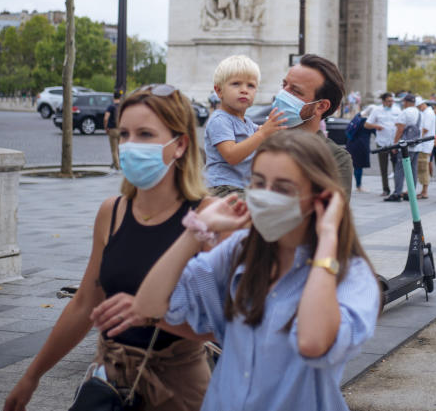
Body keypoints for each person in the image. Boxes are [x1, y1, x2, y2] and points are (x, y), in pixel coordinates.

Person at [93, 130, 381, 411]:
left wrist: (328, 237)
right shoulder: (241, 250)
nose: (265, 195)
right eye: (258, 182)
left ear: (322, 199)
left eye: (282, 188)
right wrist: (195, 231)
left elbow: (312, 343)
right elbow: (149, 305)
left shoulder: (350, 275)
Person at [4, 85, 211, 411]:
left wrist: (155, 316)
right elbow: (85, 303)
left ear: (180, 145)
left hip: (179, 390)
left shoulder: (208, 217)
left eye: (145, 134)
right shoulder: (111, 213)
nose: (130, 146)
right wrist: (32, 376)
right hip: (110, 381)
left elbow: (229, 324)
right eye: (124, 133)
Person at [270, 54, 354, 198]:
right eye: (284, 86)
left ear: (321, 106)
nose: (283, 94)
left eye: (295, 91)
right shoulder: (257, 140)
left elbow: (331, 215)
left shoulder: (335, 158)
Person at [204, 55, 287, 197]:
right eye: (236, 84)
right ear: (219, 91)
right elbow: (231, 156)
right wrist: (262, 134)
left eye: (251, 85)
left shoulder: (247, 122)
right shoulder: (219, 120)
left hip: (242, 188)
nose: (244, 90)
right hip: (223, 188)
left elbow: (261, 138)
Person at [385, 94, 424, 202]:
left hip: (405, 147)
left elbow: (400, 129)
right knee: (413, 170)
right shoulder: (420, 113)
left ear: (406, 102)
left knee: (399, 170)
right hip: (416, 146)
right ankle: (411, 193)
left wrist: (395, 144)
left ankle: (397, 193)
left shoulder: (405, 112)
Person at [365, 92, 401, 196]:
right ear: (384, 101)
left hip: (394, 143)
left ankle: (397, 190)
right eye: (389, 101)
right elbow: (367, 124)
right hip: (382, 142)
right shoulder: (377, 110)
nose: (391, 103)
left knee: (396, 168)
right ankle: (386, 189)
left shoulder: (397, 109)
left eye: (392, 101)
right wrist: (376, 126)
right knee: (383, 167)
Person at [345, 107, 372, 192]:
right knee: (358, 167)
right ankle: (358, 186)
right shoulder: (367, 121)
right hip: (361, 145)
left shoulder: (358, 117)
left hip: (351, 144)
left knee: (354, 166)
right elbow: (375, 132)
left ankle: (356, 185)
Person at [416, 97, 436, 198]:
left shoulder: (428, 113)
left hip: (425, 145)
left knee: (423, 168)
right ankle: (423, 190)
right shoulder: (426, 112)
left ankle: (425, 191)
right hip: (424, 144)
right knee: (422, 167)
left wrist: (416, 140)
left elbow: (425, 129)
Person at [104, 89, 123, 170]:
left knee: (114, 150)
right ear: (120, 97)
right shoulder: (122, 107)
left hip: (112, 129)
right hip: (121, 129)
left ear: (113, 97)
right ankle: (119, 163)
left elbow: (105, 118)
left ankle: (117, 167)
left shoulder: (111, 107)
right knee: (120, 149)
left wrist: (106, 127)